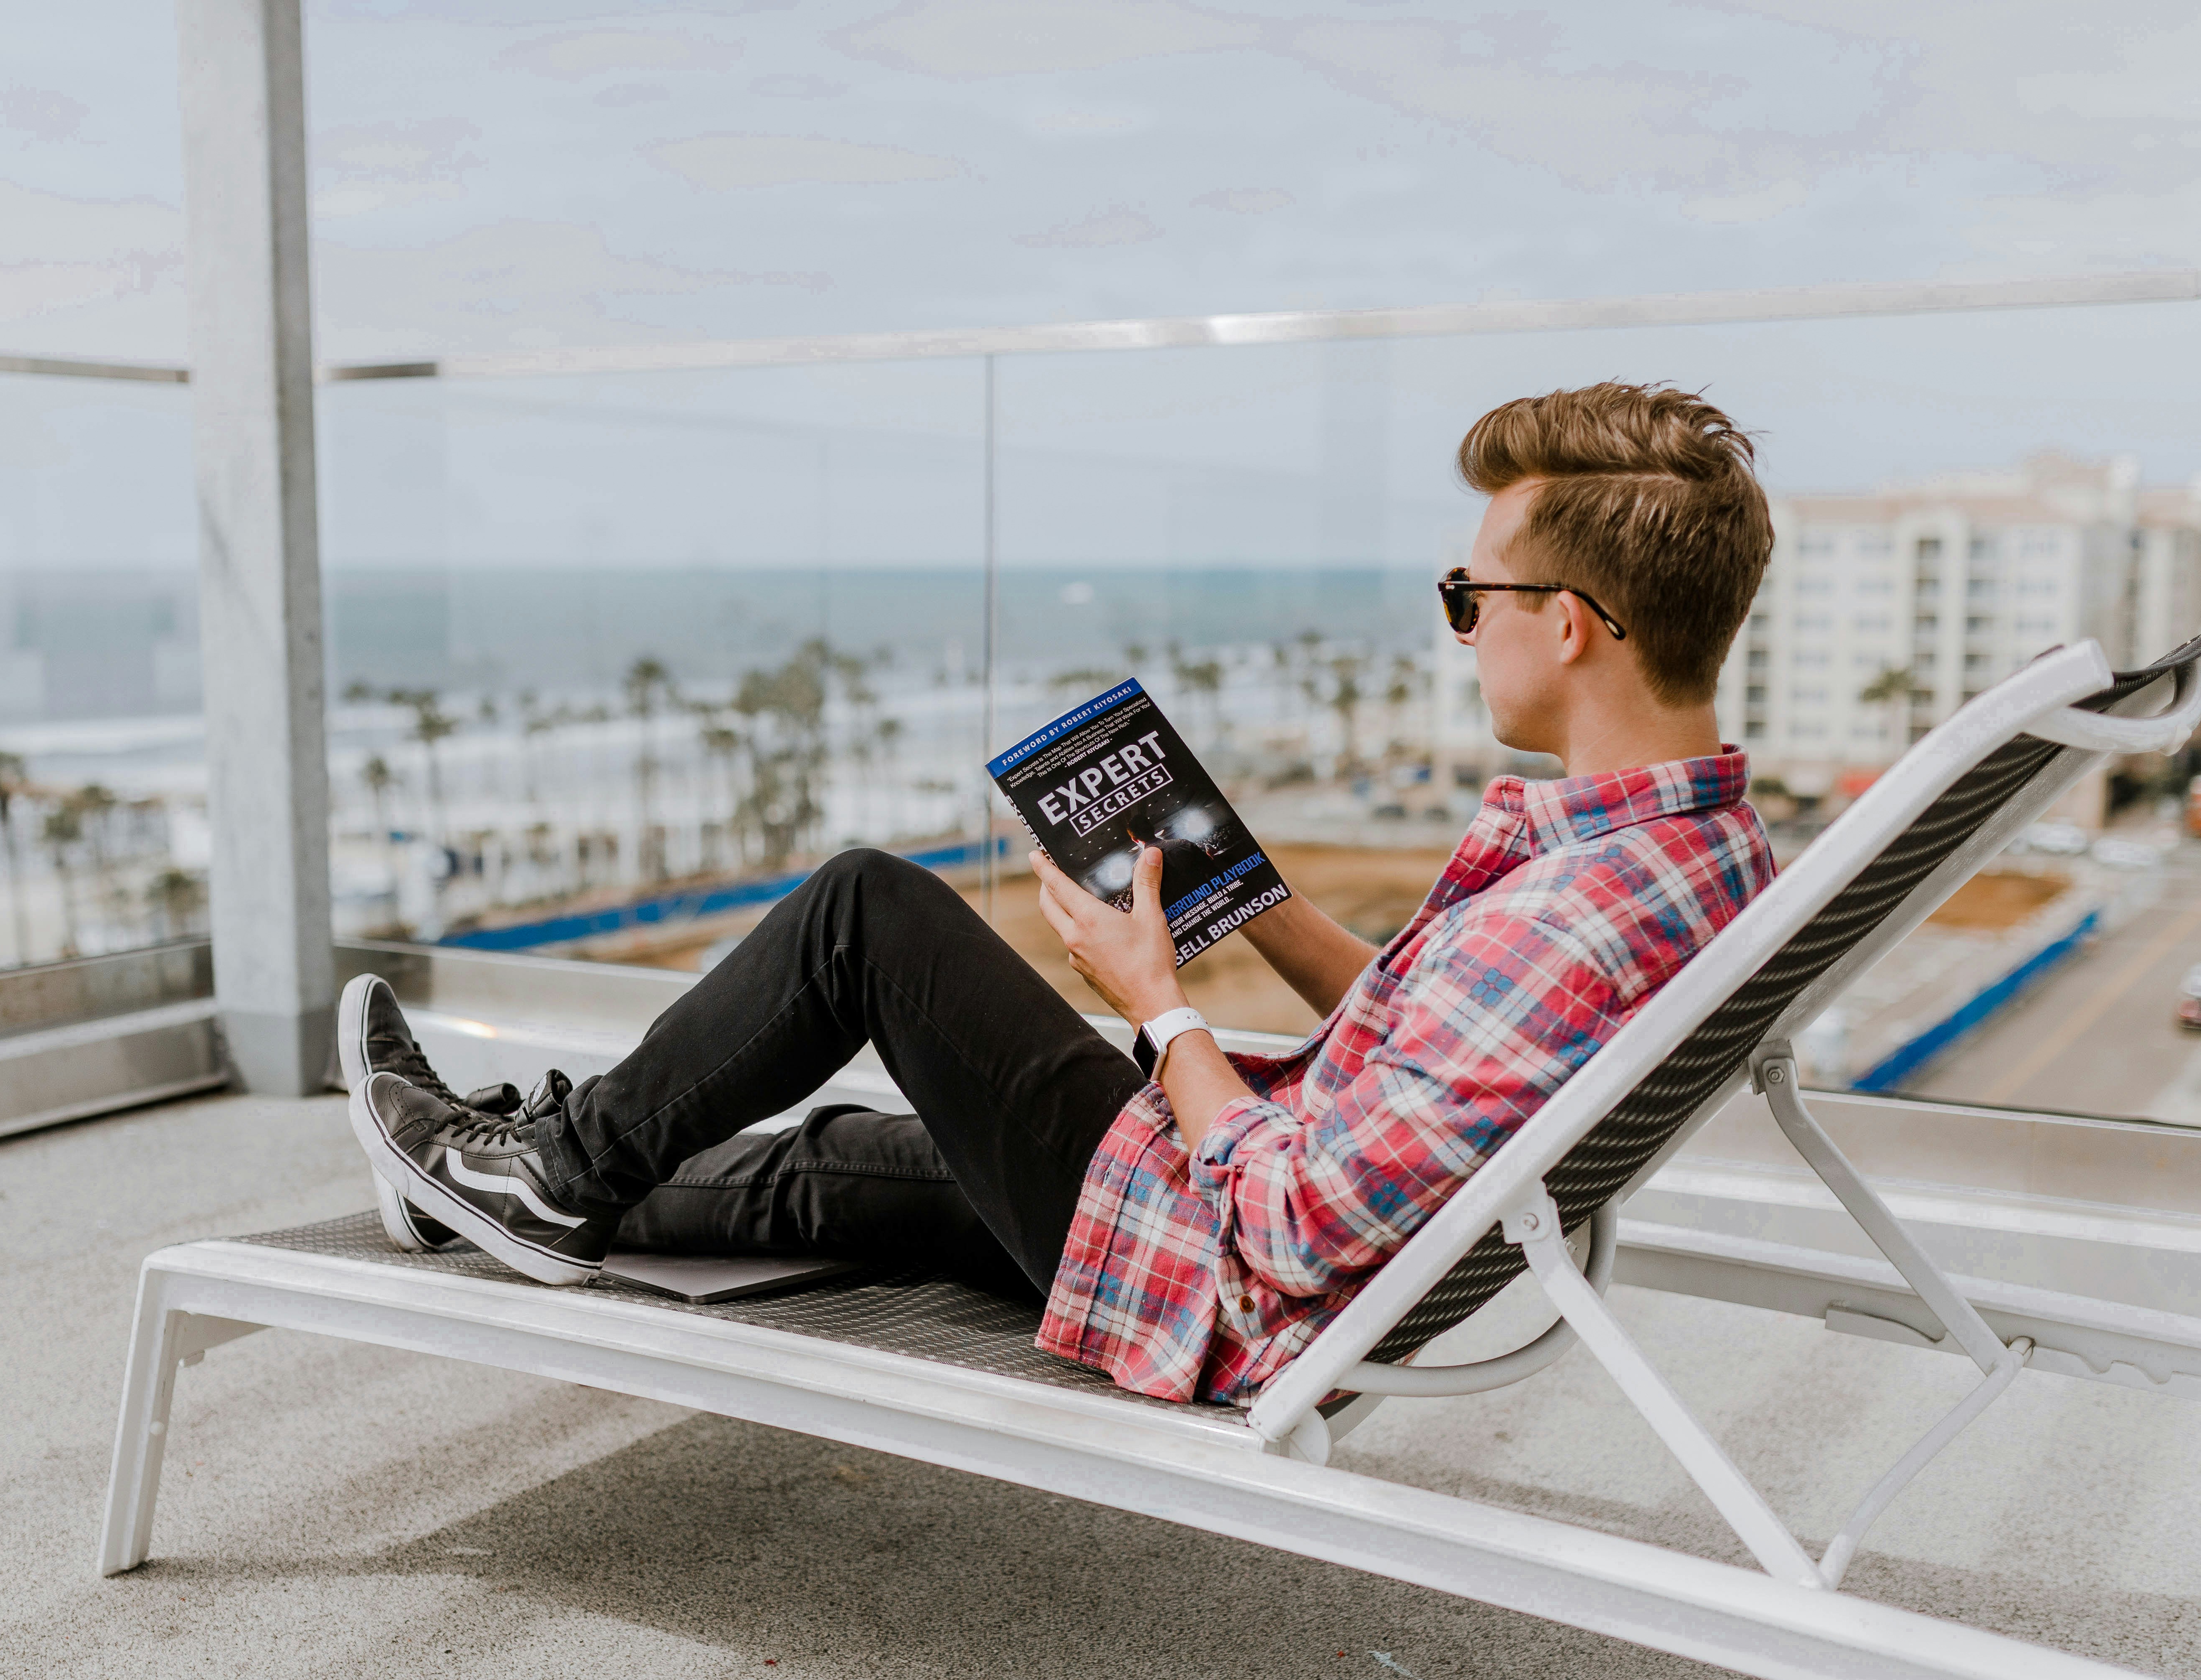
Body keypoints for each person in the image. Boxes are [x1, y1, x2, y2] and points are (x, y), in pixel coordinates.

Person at [343, 380, 1778, 1406]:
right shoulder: (1701, 853)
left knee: (865, 915)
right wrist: (1252, 896)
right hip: (1252, 1206)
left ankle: (550, 1175)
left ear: (1571, 627)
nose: (1461, 632)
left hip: (1224, 1276)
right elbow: (1416, 1045)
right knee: (858, 1159)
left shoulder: (1567, 918)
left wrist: (1158, 1005)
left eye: (1471, 600)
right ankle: (494, 1174)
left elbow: (1290, 1226)